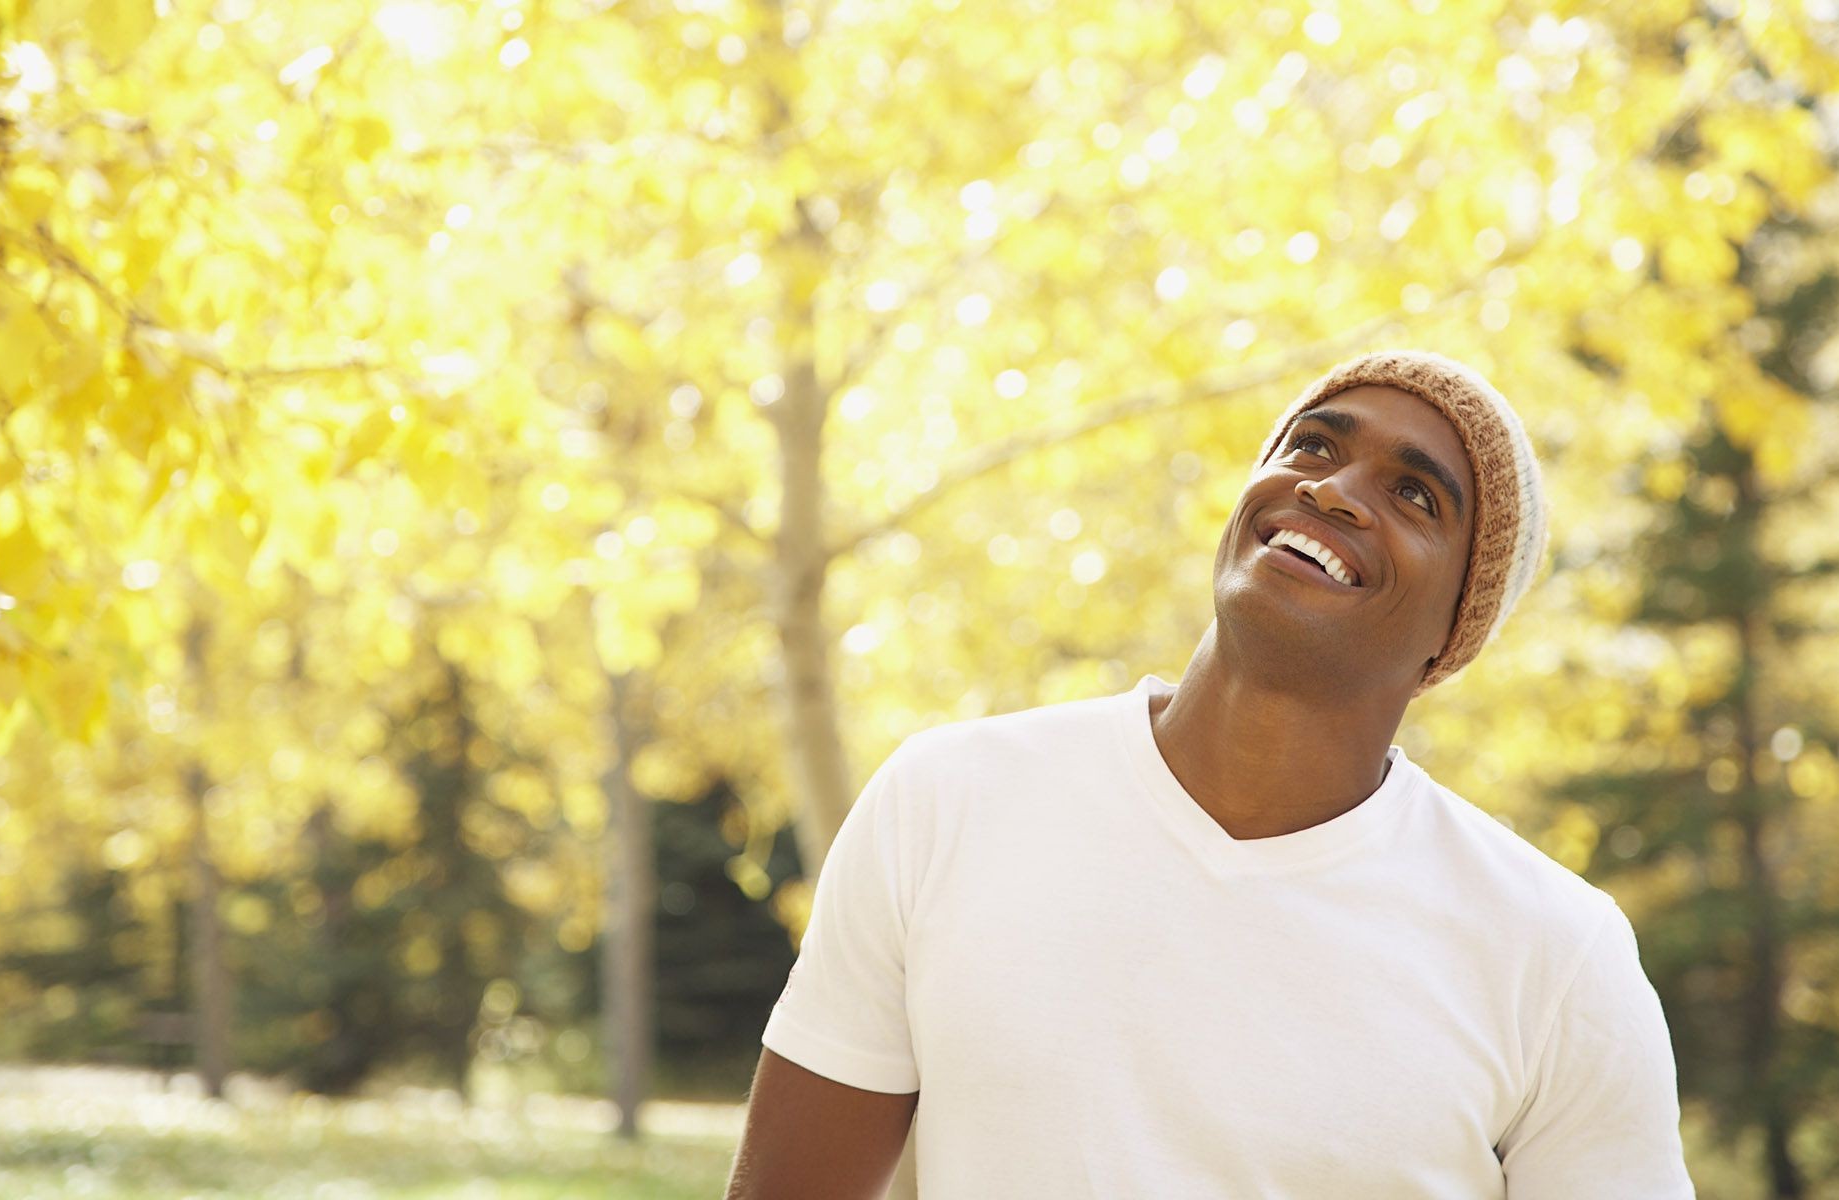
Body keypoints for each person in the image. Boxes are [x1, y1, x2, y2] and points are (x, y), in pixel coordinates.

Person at [724, 350, 1694, 1199]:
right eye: (1314, 445)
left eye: (1415, 494)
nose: (1333, 489)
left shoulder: (1561, 960)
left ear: (1458, 629)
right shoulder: (945, 800)